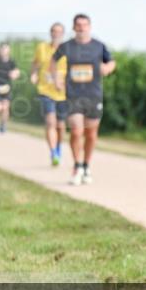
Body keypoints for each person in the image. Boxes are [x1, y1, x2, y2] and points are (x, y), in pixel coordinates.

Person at [50, 14, 117, 186]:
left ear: (89, 26)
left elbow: (111, 62)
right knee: (76, 131)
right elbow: (53, 61)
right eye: (78, 25)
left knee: (91, 134)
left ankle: (86, 165)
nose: (81, 28)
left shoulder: (98, 46)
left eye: (84, 25)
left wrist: (107, 68)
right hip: (73, 95)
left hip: (93, 95)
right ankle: (77, 165)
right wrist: (56, 78)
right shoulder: (67, 46)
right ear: (73, 28)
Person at [31, 22, 69, 165]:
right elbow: (35, 63)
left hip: (63, 93)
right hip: (45, 90)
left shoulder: (68, 50)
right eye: (53, 31)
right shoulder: (42, 48)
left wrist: (64, 83)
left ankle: (58, 147)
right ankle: (53, 152)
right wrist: (33, 74)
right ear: (50, 33)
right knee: (50, 122)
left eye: (59, 31)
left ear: (63, 34)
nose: (56, 34)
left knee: (60, 125)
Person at [0, 43, 20, 133]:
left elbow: (16, 72)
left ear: (8, 51)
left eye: (5, 49)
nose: (3, 50)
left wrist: (14, 74)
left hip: (7, 87)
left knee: (6, 107)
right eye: (2, 49)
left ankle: (3, 124)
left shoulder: (11, 62)